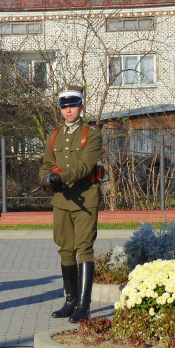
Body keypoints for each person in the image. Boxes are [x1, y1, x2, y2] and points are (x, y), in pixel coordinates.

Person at [39, 86, 102, 322]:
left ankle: (84, 307)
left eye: (72, 106)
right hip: (62, 200)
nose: (68, 111)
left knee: (84, 248)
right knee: (65, 248)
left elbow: (86, 166)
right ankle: (70, 301)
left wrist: (60, 177)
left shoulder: (91, 134)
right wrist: (45, 179)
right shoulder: (54, 135)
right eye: (64, 107)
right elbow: (46, 165)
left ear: (81, 107)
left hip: (85, 198)